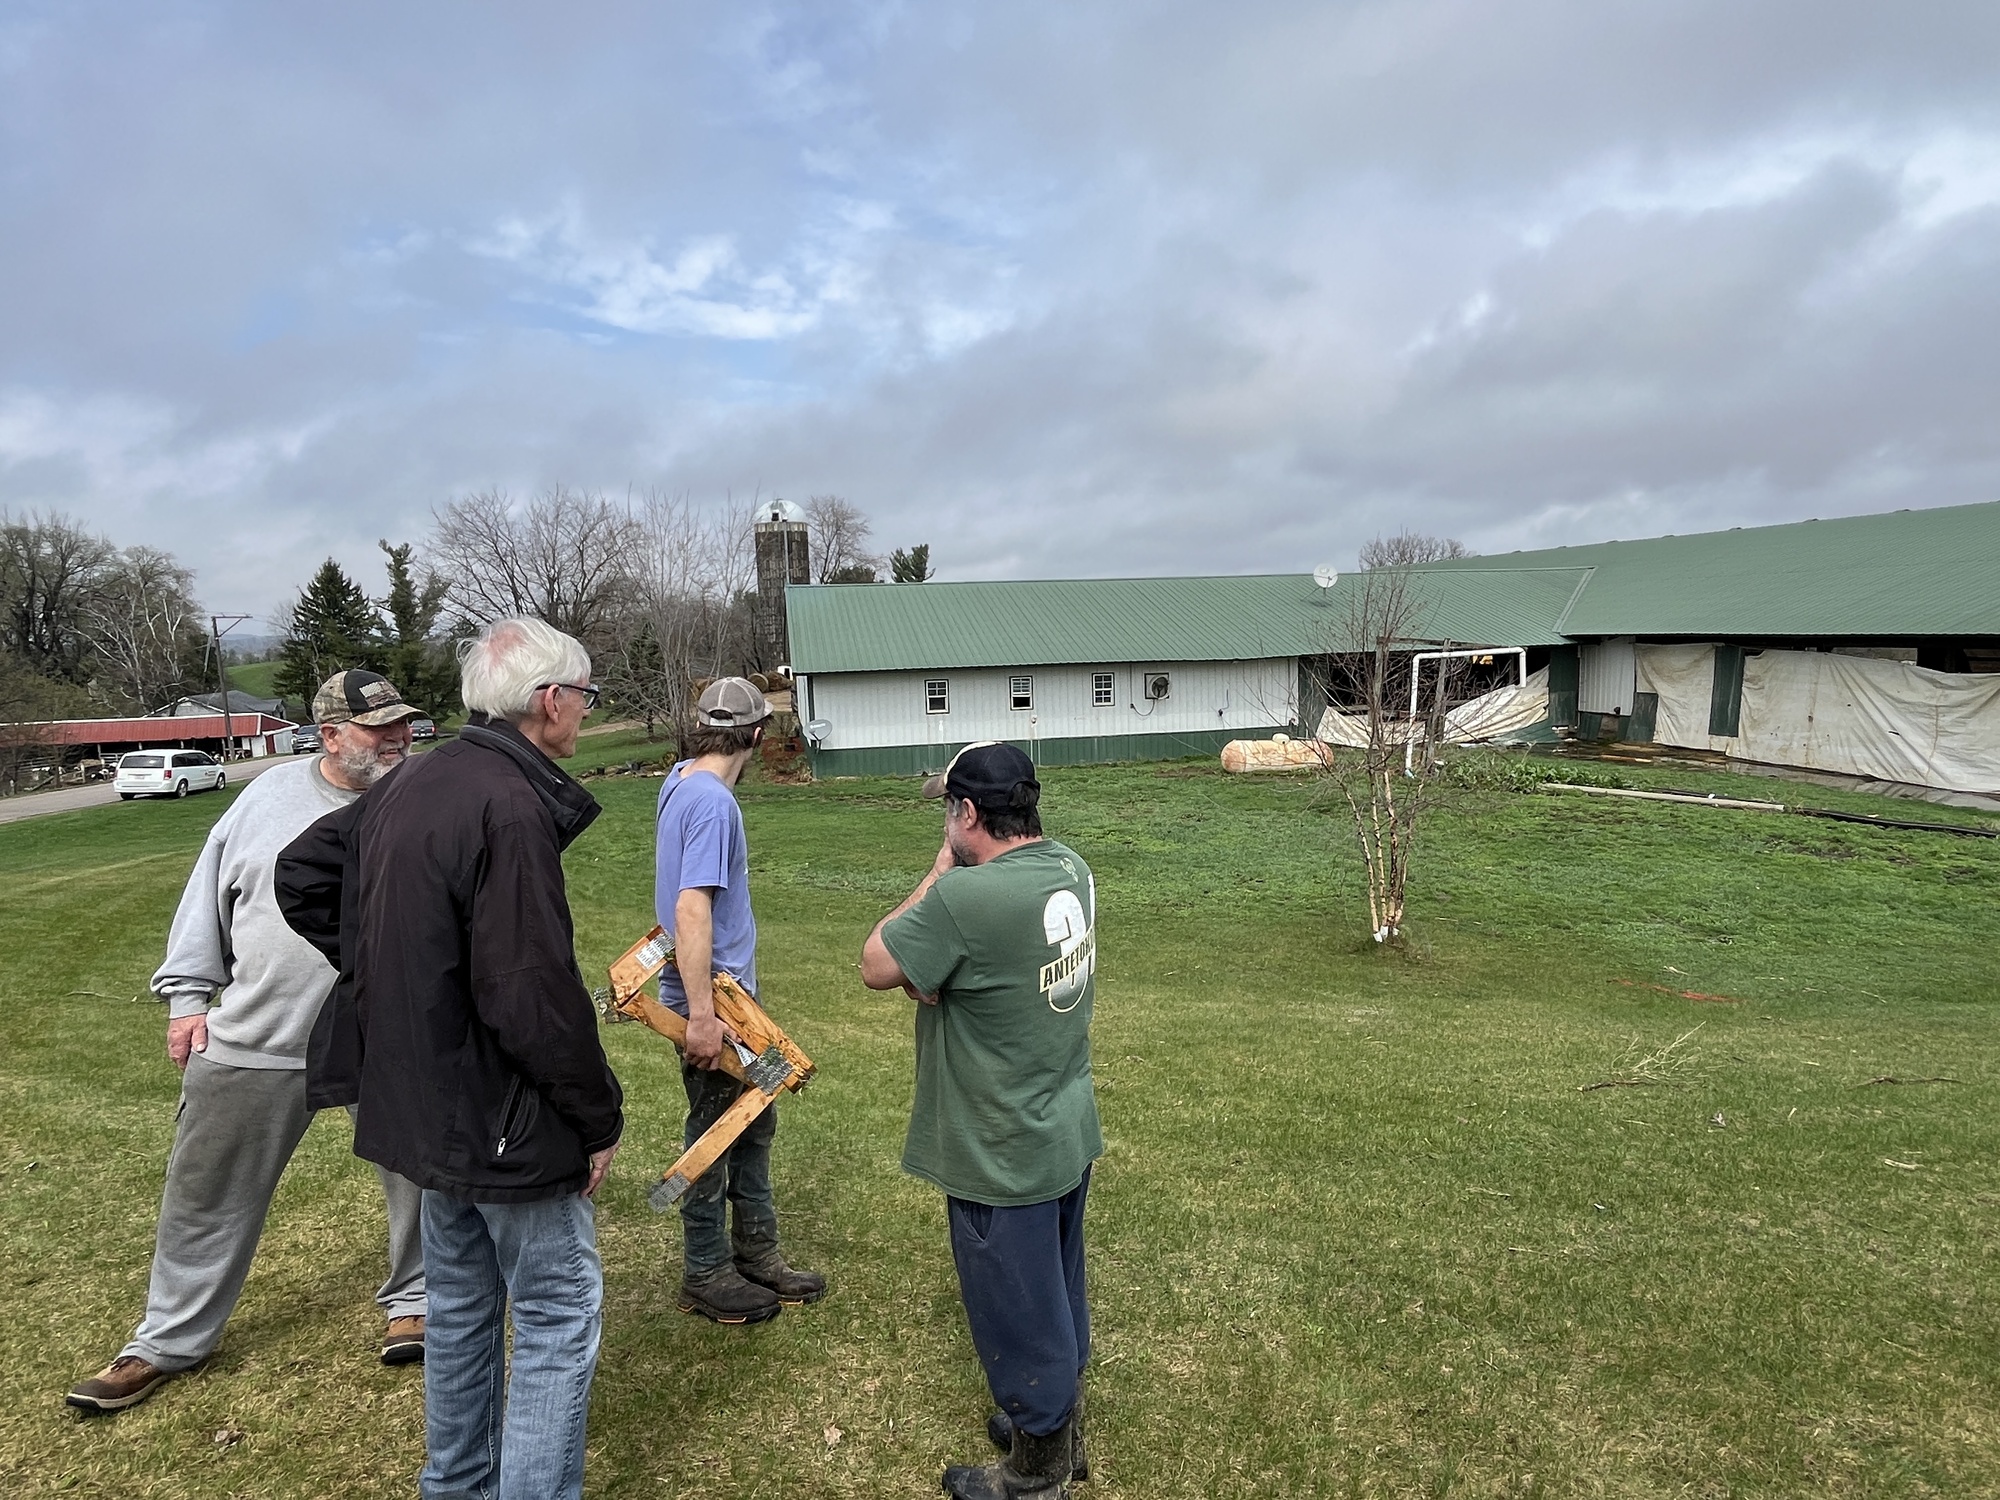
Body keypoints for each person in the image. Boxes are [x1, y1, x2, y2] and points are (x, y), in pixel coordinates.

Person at [275, 618, 623, 1500]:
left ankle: (456, 1484)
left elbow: (307, 871)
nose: (584, 712)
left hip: (427, 1103)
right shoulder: (506, 800)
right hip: (497, 1118)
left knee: (462, 1303)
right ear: (550, 702)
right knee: (554, 1310)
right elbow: (529, 991)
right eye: (583, 697)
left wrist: (399, 973)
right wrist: (597, 1116)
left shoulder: (420, 777)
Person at [67, 670, 431, 1416]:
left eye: (404, 724)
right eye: (380, 728)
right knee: (204, 1190)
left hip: (386, 1036)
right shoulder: (264, 798)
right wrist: (187, 999)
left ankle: (417, 1300)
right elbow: (208, 897)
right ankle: (167, 1339)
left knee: (421, 1175)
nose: (399, 737)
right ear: (330, 735)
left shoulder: (423, 799)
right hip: (263, 1034)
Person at [860, 741, 1101, 1500]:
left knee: (1016, 1309)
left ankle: (1036, 1476)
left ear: (968, 813)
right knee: (1056, 1291)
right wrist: (935, 974)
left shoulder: (966, 899)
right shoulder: (1069, 867)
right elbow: (955, 972)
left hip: (998, 1148)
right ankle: (1058, 1432)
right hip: (1060, 1123)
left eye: (948, 809)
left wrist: (940, 872)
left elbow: (876, 963)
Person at [654, 675, 825, 1323]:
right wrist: (701, 1016)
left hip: (730, 1001)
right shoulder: (713, 804)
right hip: (716, 1007)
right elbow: (691, 907)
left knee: (758, 1116)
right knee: (716, 1128)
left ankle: (758, 1254)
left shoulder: (678, 781)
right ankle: (705, 1271)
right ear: (756, 734)